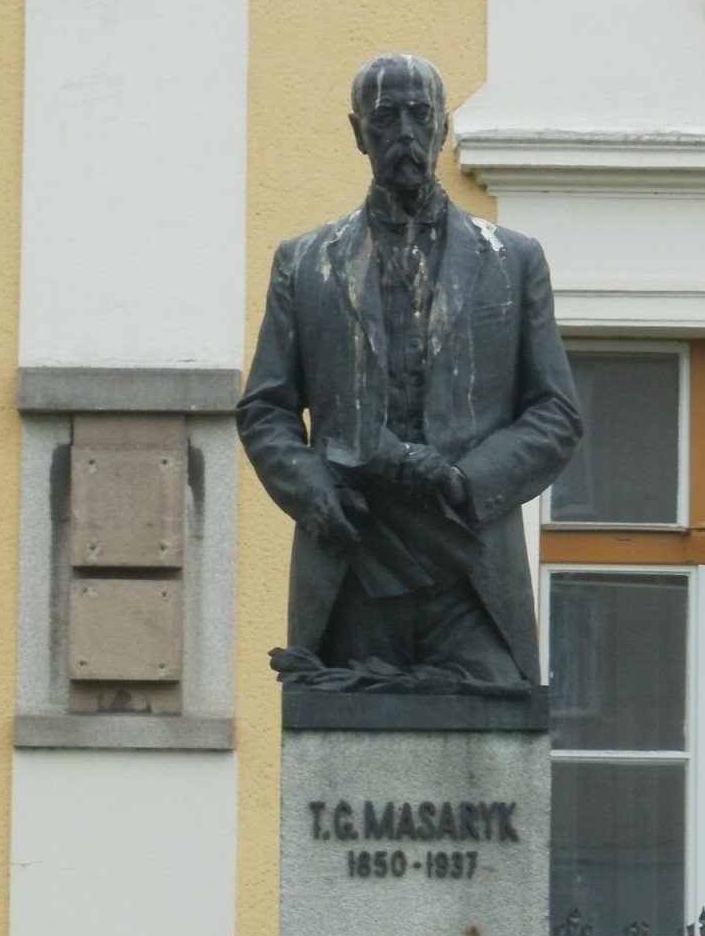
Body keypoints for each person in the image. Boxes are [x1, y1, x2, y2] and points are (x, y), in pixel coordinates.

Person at [237, 53, 582, 690]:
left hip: (471, 573)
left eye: (418, 115)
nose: (402, 131)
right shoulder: (304, 263)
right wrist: (313, 492)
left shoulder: (513, 261)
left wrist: (465, 481)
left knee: (493, 740)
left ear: (443, 127)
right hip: (354, 568)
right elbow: (265, 410)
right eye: (384, 116)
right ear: (357, 132)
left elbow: (556, 414)